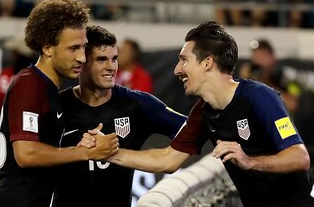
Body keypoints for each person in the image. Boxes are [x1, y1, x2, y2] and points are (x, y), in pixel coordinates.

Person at [109, 21, 314, 207]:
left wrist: (249, 161)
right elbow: (168, 159)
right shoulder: (202, 112)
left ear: (207, 63)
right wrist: (110, 154)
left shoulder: (259, 96)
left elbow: (299, 157)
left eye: (184, 60)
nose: (177, 70)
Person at [0, 0, 119, 207]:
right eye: (73, 48)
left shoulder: (46, 89)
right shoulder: (29, 85)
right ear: (48, 48)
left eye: (83, 47)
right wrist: (86, 152)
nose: (82, 57)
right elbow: (26, 154)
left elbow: (10, 169)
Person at [52, 25, 186, 207]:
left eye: (114, 59)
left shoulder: (137, 105)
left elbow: (191, 129)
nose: (111, 67)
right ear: (81, 62)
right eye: (101, 60)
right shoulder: (57, 105)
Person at [238, 38, 300, 114]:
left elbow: (292, 104)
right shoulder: (252, 77)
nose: (259, 60)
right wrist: (244, 81)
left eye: (263, 55)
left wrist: (265, 82)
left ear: (273, 57)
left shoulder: (285, 75)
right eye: (256, 56)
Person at [0, 33, 38, 116]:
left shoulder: (39, 78)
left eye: (15, 53)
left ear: (22, 56)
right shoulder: (5, 76)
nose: (12, 57)